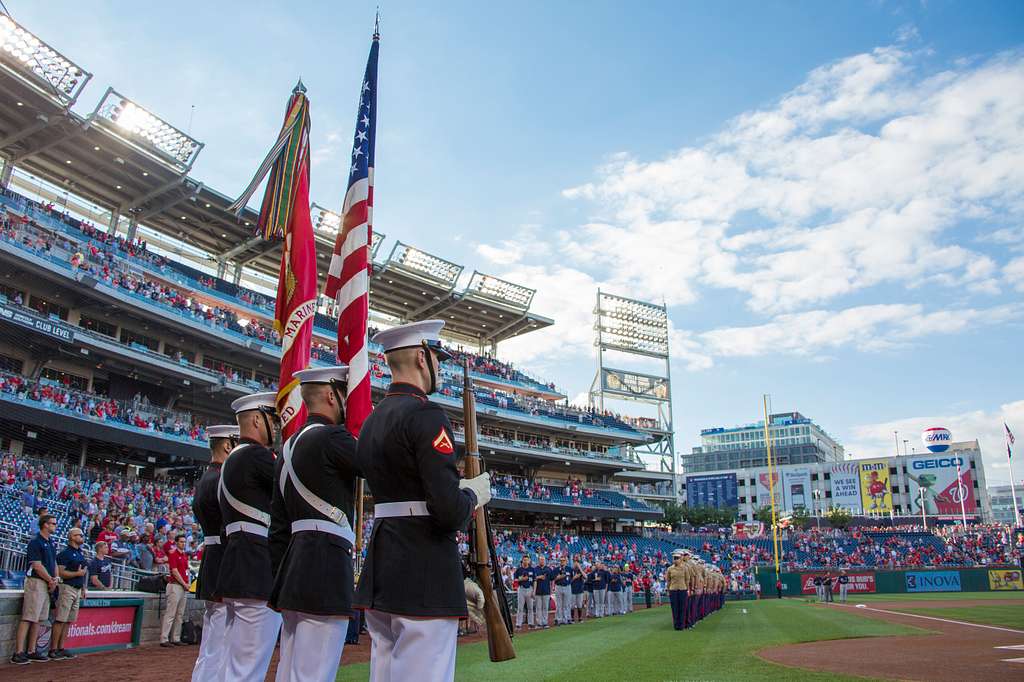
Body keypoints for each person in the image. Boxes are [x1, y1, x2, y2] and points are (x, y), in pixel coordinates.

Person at [353, 321, 491, 682]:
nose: (440, 368)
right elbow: (446, 511)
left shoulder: (371, 421)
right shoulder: (426, 414)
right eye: (436, 358)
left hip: (385, 566)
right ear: (420, 356)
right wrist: (473, 493)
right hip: (424, 575)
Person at [269, 366, 362, 682]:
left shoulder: (287, 448)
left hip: (293, 569)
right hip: (324, 566)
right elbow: (377, 464)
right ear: (330, 394)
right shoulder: (333, 437)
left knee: (291, 670)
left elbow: (278, 528)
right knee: (314, 673)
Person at [217, 391, 282, 681]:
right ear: (257, 419)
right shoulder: (256, 456)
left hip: (236, 563)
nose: (279, 427)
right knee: (248, 667)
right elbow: (290, 483)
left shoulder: (232, 459)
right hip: (256, 567)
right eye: (274, 420)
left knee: (233, 662)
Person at [190, 424, 237, 682]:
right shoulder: (221, 479)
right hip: (222, 556)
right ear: (228, 445)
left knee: (212, 637)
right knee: (220, 640)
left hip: (212, 555)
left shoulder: (205, 478)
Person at [11, 514, 58, 664]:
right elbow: (36, 565)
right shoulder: (35, 542)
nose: (55, 526)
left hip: (47, 583)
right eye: (53, 523)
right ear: (45, 524)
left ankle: (31, 650)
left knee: (38, 618)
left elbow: (54, 563)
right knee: (29, 616)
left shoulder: (51, 542)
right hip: (36, 582)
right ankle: (18, 652)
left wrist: (55, 579)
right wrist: (50, 579)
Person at [51, 527, 88, 659]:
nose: (82, 537)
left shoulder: (80, 553)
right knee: (61, 619)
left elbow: (83, 573)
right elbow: (60, 572)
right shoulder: (65, 553)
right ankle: (53, 649)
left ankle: (61, 647)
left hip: (77, 588)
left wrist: (83, 587)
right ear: (72, 537)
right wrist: (77, 574)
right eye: (79, 535)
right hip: (66, 587)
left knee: (68, 621)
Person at [160, 534, 190, 647]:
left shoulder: (184, 555)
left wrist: (187, 584)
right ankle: (164, 638)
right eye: (181, 542)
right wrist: (185, 583)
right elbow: (174, 571)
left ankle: (175, 637)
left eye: (184, 542)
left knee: (179, 614)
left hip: (182, 586)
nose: (183, 543)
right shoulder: (173, 554)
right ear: (176, 542)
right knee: (171, 613)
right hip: (175, 585)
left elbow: (185, 570)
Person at [665, 549, 689, 631]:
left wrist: (687, 589)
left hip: (682, 590)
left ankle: (681, 625)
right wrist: (668, 590)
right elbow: (668, 581)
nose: (676, 560)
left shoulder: (685, 568)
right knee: (674, 608)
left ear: (680, 559)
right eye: (674, 558)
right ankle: (676, 625)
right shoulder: (670, 569)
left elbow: (687, 580)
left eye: (677, 558)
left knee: (682, 608)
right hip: (673, 590)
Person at [514, 555, 536, 630]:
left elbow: (535, 581)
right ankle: (518, 624)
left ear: (529, 561)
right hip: (521, 589)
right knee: (520, 608)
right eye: (524, 560)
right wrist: (522, 579)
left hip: (530, 589)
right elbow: (515, 580)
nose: (526, 561)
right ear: (522, 561)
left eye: (527, 560)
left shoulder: (532, 569)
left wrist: (534, 591)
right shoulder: (519, 570)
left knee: (530, 608)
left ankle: (531, 623)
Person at [533, 554, 552, 628]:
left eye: (543, 560)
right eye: (541, 559)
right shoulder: (535, 569)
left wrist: (551, 589)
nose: (542, 561)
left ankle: (545, 622)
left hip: (546, 590)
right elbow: (532, 578)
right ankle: (539, 623)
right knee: (538, 608)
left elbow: (552, 579)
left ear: (545, 560)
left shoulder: (548, 569)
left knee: (545, 607)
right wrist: (539, 577)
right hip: (538, 591)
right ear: (538, 561)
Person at [553, 556, 573, 625]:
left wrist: (568, 582)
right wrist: (559, 577)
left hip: (567, 586)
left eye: (563, 560)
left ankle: (566, 619)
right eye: (561, 560)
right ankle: (559, 619)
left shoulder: (569, 569)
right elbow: (553, 579)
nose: (562, 562)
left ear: (566, 561)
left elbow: (572, 578)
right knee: (559, 604)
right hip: (558, 586)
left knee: (567, 604)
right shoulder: (556, 569)